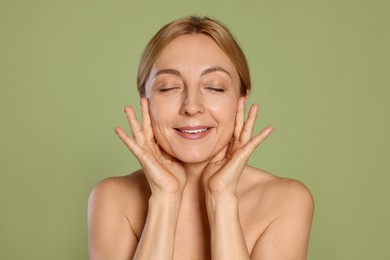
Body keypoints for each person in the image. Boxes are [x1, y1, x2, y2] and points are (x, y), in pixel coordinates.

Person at [88, 15, 314, 260]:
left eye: (215, 87)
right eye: (168, 87)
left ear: (241, 99)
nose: (192, 106)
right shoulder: (112, 198)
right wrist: (165, 198)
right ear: (145, 100)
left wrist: (222, 198)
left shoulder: (285, 201)